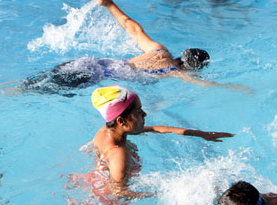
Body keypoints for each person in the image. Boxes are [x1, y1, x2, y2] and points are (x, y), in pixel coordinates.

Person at [24, 0, 243, 91]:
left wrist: (110, 4)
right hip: (93, 75)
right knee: (37, 90)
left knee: (32, 83)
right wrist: (236, 87)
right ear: (192, 68)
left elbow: (134, 29)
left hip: (90, 62)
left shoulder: (159, 51)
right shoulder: (177, 72)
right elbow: (202, 84)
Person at [89, 85, 233, 198]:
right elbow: (118, 192)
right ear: (121, 121)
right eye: (139, 111)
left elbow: (154, 129)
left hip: (95, 188)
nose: (145, 114)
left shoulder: (105, 131)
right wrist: (167, 194)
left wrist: (200, 134)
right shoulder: (119, 153)